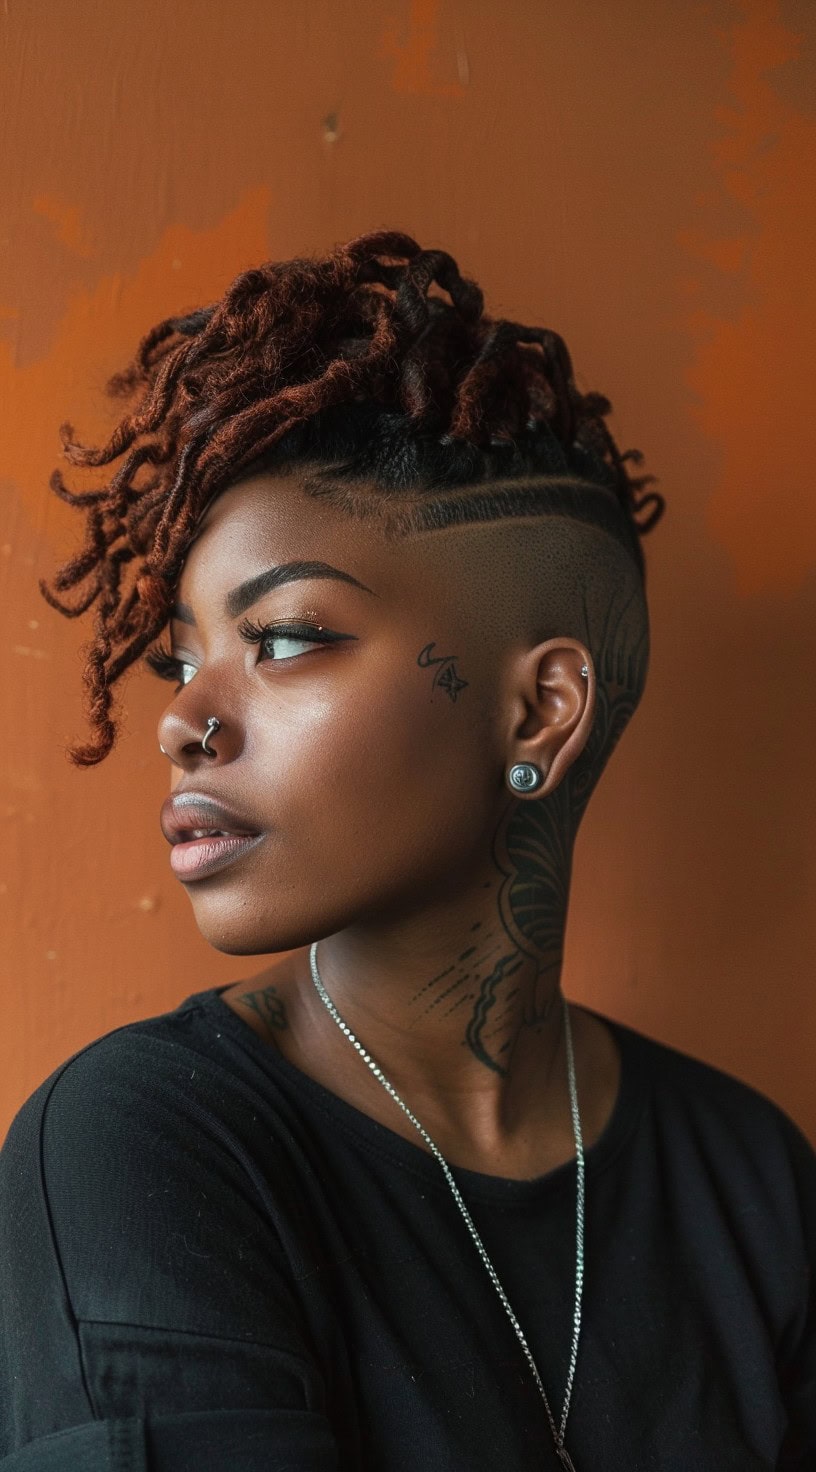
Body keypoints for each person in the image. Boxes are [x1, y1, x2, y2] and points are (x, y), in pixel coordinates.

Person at [0, 229, 813, 1471]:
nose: (181, 718)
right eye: (180, 654)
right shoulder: (142, 1146)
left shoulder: (754, 1180)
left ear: (540, 710)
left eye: (281, 636)